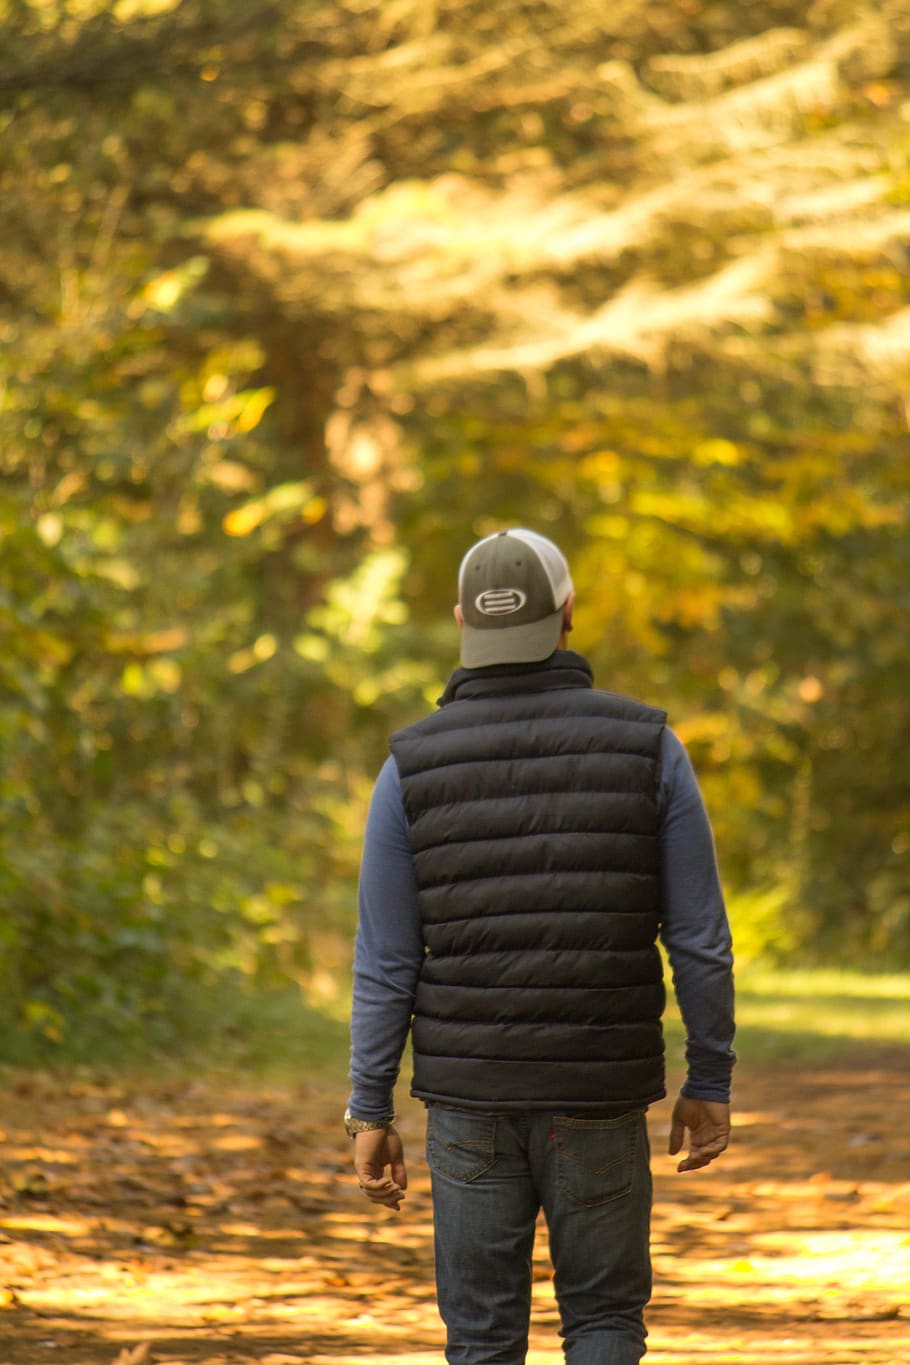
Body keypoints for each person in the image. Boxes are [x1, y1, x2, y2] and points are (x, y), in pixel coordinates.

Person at [346, 527, 735, 1365]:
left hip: (468, 1098)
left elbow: (386, 960)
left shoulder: (408, 768)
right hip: (599, 1091)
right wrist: (709, 1078)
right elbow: (699, 937)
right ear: (568, 616)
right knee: (601, 1321)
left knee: (482, 1338)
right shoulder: (651, 748)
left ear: (461, 622)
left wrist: (368, 1107)